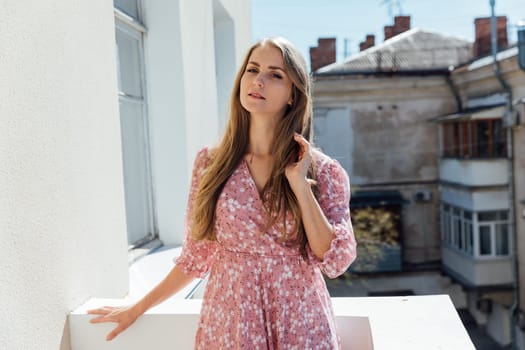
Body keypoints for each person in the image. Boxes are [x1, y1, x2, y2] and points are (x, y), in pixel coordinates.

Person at [88, 36, 357, 349]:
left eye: (275, 74)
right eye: (252, 69)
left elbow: (334, 260)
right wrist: (137, 308)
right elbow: (196, 256)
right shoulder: (210, 163)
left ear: (293, 96)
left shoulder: (323, 172)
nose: (258, 80)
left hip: (300, 321)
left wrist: (299, 185)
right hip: (231, 320)